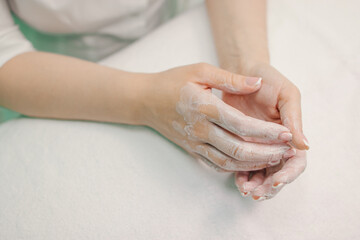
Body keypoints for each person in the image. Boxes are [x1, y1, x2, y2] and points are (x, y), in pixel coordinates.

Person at [0, 0, 308, 201]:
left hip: (194, 23)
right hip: (68, 76)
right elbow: (5, 56)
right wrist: (145, 100)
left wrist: (246, 72)